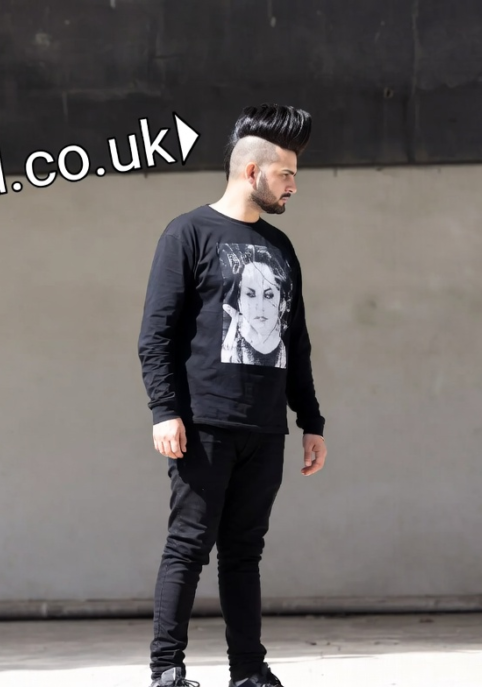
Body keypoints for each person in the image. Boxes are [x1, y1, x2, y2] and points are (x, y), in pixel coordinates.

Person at [137, 103, 328, 687]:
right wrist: (165, 410)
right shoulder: (188, 233)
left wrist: (310, 419)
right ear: (252, 171)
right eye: (286, 174)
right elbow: (156, 333)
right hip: (203, 424)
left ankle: (248, 671)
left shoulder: (281, 247)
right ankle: (167, 670)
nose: (293, 185)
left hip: (265, 428)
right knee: (189, 546)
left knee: (244, 553)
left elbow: (295, 338)